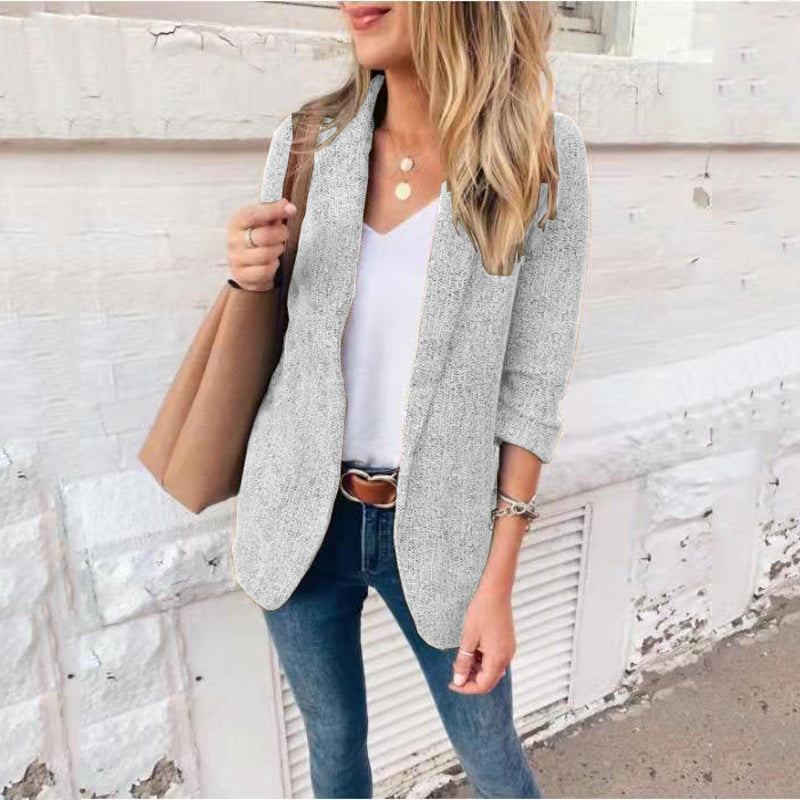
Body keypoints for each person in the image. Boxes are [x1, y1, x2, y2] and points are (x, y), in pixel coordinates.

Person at [225, 2, 590, 797]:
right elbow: (282, 341)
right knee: (334, 747)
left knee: (493, 759)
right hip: (300, 514)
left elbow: (532, 383)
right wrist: (247, 274)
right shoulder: (308, 142)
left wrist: (497, 582)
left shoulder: (539, 154)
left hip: (446, 531)